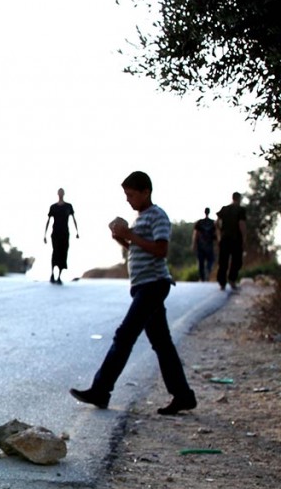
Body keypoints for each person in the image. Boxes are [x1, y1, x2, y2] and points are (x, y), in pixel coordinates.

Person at [70, 171, 196, 416]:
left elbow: (161, 250)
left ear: (145, 192)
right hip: (144, 285)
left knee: (124, 336)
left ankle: (101, 389)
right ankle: (183, 395)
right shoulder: (140, 219)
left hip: (153, 284)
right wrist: (122, 239)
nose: (128, 200)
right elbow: (140, 248)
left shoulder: (157, 216)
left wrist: (129, 235)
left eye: (131, 195)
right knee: (162, 343)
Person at [43, 187, 79, 284]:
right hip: (55, 233)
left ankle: (59, 276)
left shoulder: (68, 206)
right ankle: (52, 274)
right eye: (59, 192)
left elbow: (73, 219)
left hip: (65, 233)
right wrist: (45, 235)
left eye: (62, 192)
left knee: (63, 254)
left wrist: (77, 231)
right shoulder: (53, 207)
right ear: (57, 194)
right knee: (55, 253)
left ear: (64, 194)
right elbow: (48, 221)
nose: (61, 194)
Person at [215, 192, 246, 291]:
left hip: (224, 239)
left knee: (223, 261)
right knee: (236, 261)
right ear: (239, 199)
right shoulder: (241, 210)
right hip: (236, 239)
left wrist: (220, 234)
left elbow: (216, 223)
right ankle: (232, 280)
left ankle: (222, 283)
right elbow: (242, 224)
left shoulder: (224, 209)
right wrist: (244, 238)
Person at [191, 207, 217, 282]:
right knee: (210, 261)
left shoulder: (200, 222)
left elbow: (196, 234)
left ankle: (203, 278)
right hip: (209, 245)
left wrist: (194, 244)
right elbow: (216, 234)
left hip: (201, 245)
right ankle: (207, 273)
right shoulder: (212, 222)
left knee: (201, 263)